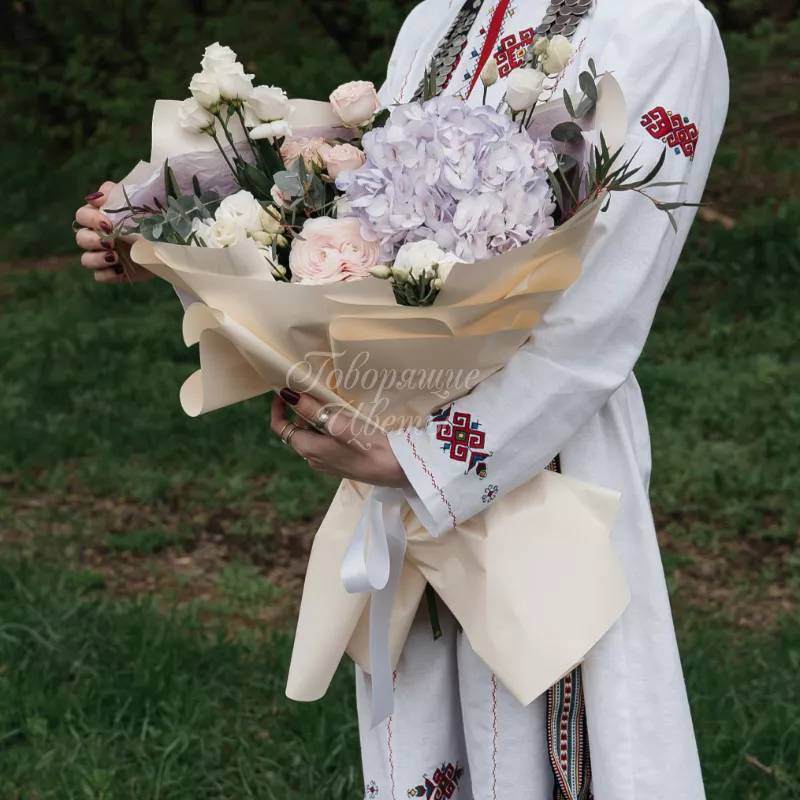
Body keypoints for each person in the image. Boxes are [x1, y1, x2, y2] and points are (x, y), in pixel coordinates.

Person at [75, 0, 729, 797]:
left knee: (550, 740)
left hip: (544, 457)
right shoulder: (437, 16)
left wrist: (427, 457)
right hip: (392, 451)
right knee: (426, 732)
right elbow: (352, 208)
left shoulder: (661, 23)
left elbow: (603, 308)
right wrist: (163, 234)